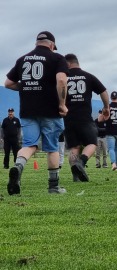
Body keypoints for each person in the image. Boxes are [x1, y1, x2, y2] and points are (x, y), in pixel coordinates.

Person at [4, 31, 69, 194]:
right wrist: (62, 104)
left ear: (36, 43)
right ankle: (53, 186)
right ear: (52, 45)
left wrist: (27, 87)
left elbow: (8, 83)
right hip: (50, 110)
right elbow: (61, 80)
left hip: (28, 110)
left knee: (29, 145)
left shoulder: (22, 59)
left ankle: (18, 167)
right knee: (52, 147)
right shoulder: (57, 58)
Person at [64, 53, 110, 182]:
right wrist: (106, 107)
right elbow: (103, 91)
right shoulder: (88, 76)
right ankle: (81, 163)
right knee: (92, 143)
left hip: (68, 117)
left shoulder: (64, 78)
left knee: (75, 147)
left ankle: (75, 175)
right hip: (84, 116)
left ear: (68, 64)